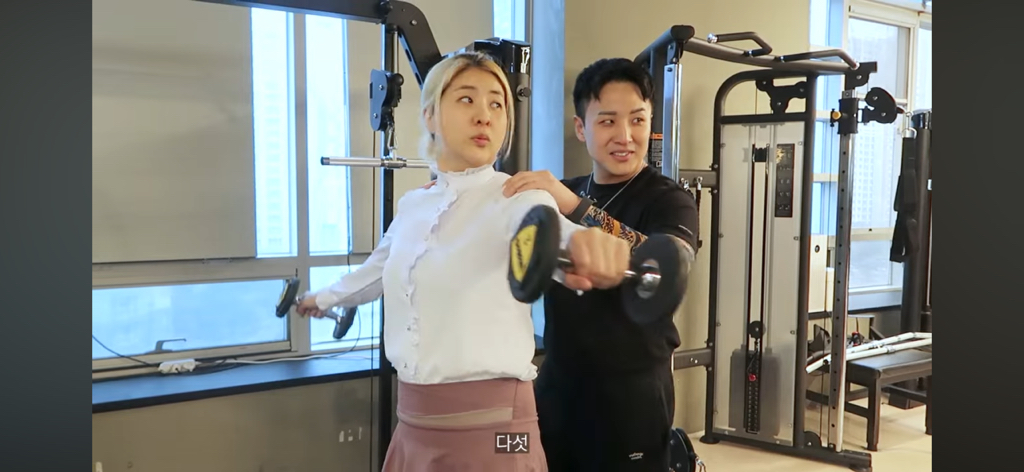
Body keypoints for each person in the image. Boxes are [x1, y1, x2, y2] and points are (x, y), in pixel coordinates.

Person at [295, 51, 632, 472]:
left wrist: (592, 246)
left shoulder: (517, 197)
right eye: (467, 99)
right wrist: (323, 298)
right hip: (414, 424)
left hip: (500, 430)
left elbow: (557, 235)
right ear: (430, 115)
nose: (484, 116)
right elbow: (376, 272)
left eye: (497, 104)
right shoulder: (414, 204)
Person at [502, 58, 700, 471]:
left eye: (637, 120)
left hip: (631, 393)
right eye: (608, 121)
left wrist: (574, 207)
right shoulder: (558, 195)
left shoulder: (670, 199)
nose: (625, 136)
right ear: (581, 128)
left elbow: (667, 261)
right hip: (558, 382)